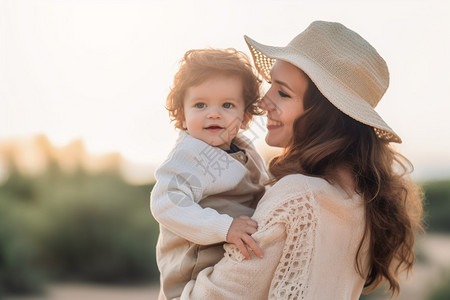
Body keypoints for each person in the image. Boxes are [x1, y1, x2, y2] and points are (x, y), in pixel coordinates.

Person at [180, 21, 423, 299]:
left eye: (283, 93)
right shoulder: (364, 201)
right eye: (271, 84)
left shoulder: (296, 196)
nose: (262, 102)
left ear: (326, 115)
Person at [150, 48, 269, 300]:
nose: (213, 113)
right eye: (200, 104)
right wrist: (225, 227)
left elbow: (262, 188)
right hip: (190, 279)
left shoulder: (244, 148)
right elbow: (166, 202)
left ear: (246, 116)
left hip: (227, 267)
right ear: (182, 115)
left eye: (227, 105)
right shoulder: (190, 154)